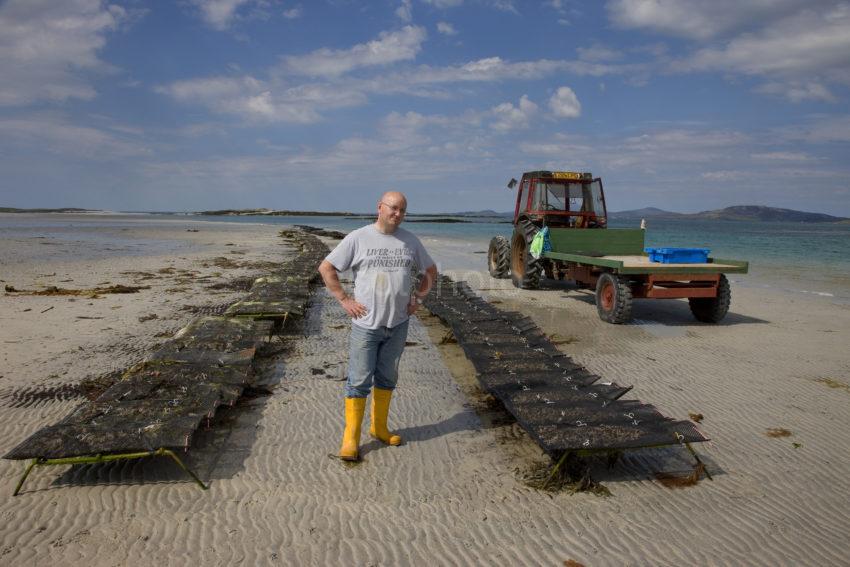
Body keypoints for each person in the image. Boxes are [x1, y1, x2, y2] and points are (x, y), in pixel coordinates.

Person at [318, 191, 438, 461]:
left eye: (403, 210)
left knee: (387, 378)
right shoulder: (358, 238)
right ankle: (350, 439)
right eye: (393, 208)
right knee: (358, 381)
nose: (398, 214)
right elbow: (326, 268)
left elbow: (431, 272)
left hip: (398, 324)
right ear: (380, 208)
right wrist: (344, 299)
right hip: (366, 325)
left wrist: (418, 298)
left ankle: (379, 428)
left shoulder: (410, 240)